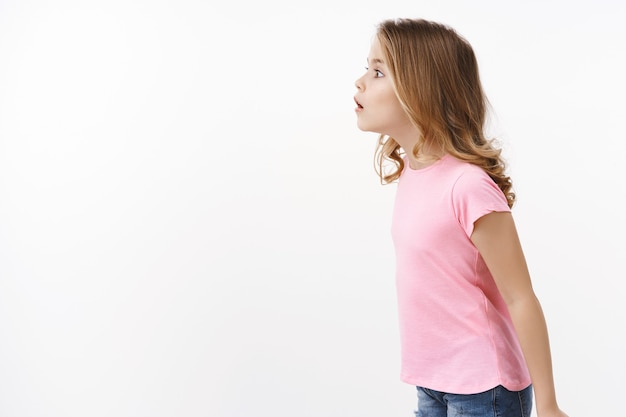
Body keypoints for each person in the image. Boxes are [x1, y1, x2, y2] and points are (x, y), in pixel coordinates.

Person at [353, 18, 568, 417]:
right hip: (433, 381)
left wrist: (550, 406)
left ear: (421, 90)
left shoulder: (467, 185)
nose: (360, 82)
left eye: (378, 71)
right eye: (366, 67)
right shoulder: (413, 173)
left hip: (485, 388)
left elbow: (521, 296)